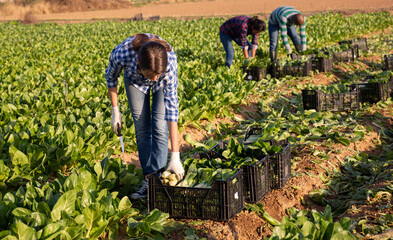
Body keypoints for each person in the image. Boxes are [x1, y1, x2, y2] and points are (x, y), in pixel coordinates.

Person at [105, 33, 185, 200]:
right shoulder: (123, 54)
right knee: (142, 127)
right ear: (139, 63)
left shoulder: (169, 62)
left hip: (162, 88)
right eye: (151, 75)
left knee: (159, 126)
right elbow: (111, 77)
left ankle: (161, 177)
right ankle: (149, 180)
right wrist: (115, 111)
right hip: (135, 82)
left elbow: (171, 109)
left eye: (158, 74)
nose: (154, 79)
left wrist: (175, 155)